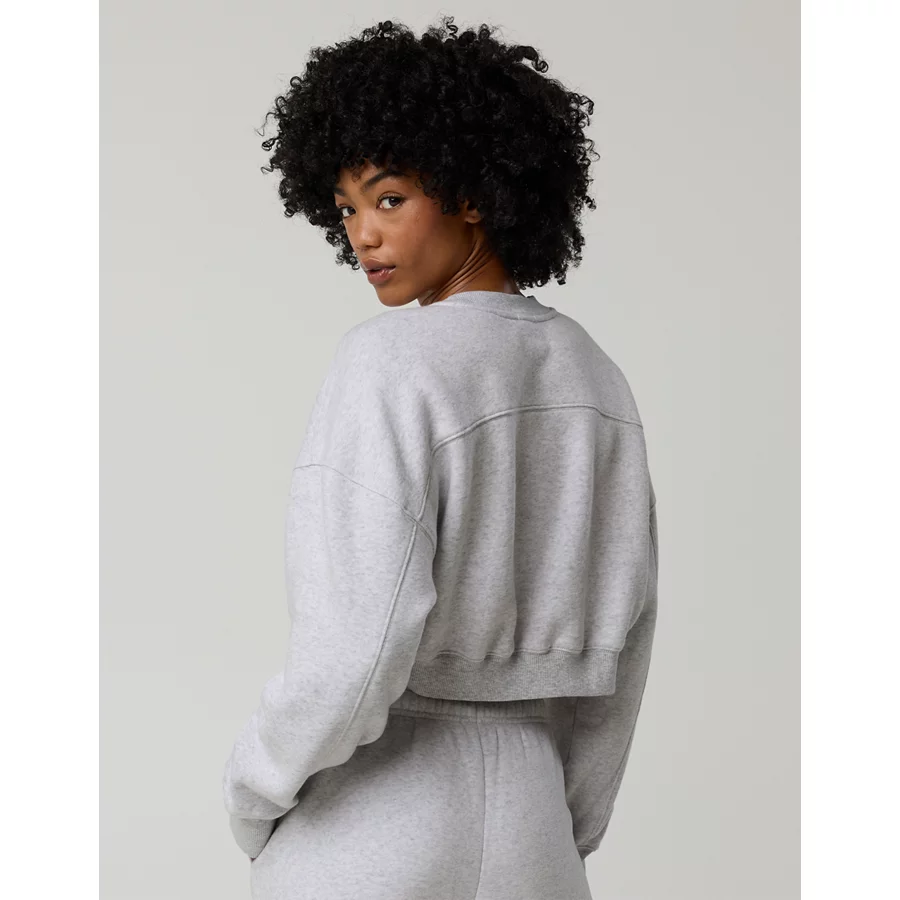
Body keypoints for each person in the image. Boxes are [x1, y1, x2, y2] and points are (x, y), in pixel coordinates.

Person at [222, 15, 659, 900]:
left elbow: (353, 646)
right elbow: (625, 650)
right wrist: (566, 830)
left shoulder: (387, 361)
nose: (363, 235)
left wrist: (255, 790)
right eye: (347, 208)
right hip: (536, 824)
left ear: (473, 194)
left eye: (389, 199)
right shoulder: (598, 378)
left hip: (378, 815)